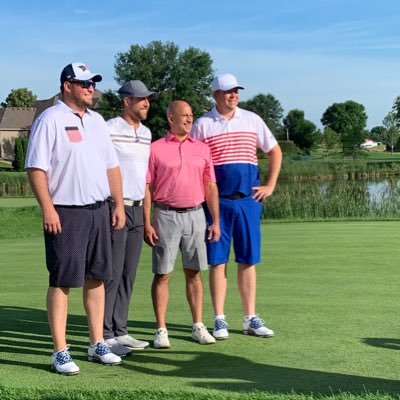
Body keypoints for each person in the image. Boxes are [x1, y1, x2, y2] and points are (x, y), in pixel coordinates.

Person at [25, 62, 126, 375]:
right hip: (66, 212)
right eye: (84, 83)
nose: (91, 88)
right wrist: (48, 208)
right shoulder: (50, 119)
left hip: (99, 210)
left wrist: (118, 204)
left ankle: (97, 343)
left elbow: (111, 167)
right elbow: (36, 168)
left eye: (92, 83)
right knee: (63, 281)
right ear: (67, 85)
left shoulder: (97, 122)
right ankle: (60, 351)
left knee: (97, 278)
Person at [191, 73, 282, 340]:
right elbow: (197, 164)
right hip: (217, 203)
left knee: (247, 260)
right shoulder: (203, 125)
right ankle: (219, 319)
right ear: (215, 94)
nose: (233, 95)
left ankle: (250, 317)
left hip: (248, 201)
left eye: (236, 91)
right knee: (218, 261)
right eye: (228, 91)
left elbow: (274, 151)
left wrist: (270, 185)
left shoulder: (252, 119)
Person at [144, 100, 220, 349]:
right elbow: (147, 187)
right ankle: (161, 329)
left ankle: (198, 325)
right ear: (170, 118)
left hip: (196, 214)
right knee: (163, 273)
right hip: (165, 215)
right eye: (184, 115)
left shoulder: (202, 148)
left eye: (191, 115)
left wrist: (215, 220)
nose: (189, 119)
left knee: (194, 272)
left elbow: (210, 185)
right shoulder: (155, 149)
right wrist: (147, 221)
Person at [103, 80, 159, 356]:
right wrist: (113, 203)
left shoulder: (147, 133)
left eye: (148, 99)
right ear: (127, 101)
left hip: (138, 208)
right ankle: (105, 334)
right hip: (116, 207)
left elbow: (145, 180)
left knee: (129, 273)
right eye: (141, 99)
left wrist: (147, 219)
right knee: (111, 273)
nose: (146, 103)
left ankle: (120, 330)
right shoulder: (109, 128)